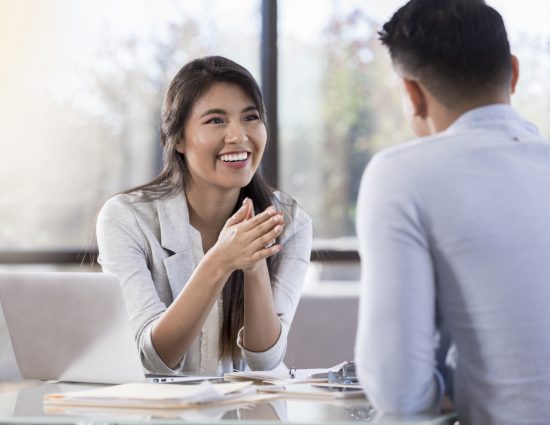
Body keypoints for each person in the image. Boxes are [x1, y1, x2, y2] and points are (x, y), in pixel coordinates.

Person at [354, 1, 550, 424]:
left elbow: (398, 391)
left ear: (412, 93)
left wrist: (442, 388)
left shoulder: (401, 174)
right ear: (513, 73)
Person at [96, 56, 312, 376]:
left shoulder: (289, 222)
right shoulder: (126, 218)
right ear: (178, 139)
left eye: (250, 117)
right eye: (216, 121)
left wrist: (254, 268)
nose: (238, 135)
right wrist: (220, 261)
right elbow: (153, 359)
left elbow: (265, 362)